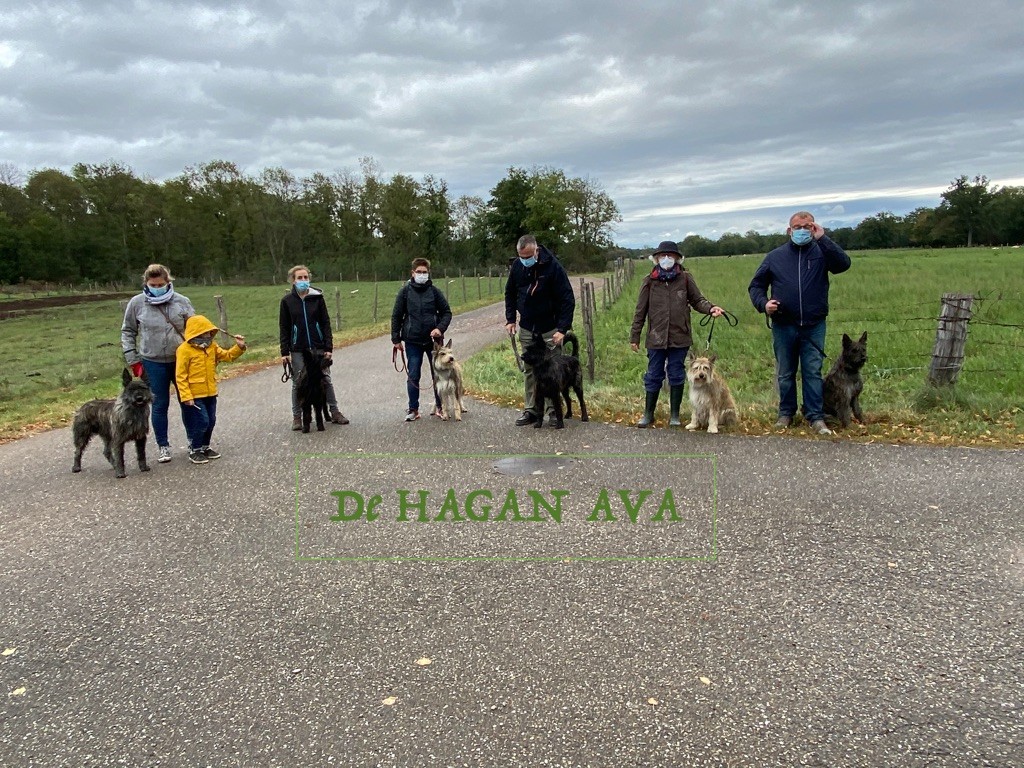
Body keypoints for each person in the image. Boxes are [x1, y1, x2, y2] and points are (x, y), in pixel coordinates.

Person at [748, 211, 851, 435]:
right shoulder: (775, 257)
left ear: (814, 228)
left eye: (807, 226)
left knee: (812, 371)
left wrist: (823, 239)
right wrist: (764, 304)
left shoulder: (822, 253)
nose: (802, 230)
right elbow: (755, 286)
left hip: (814, 324)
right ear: (789, 230)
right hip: (784, 324)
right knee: (785, 372)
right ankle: (786, 413)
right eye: (797, 227)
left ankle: (815, 416)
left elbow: (843, 264)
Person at [630, 241, 725, 428]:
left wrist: (711, 308)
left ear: (677, 258)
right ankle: (648, 414)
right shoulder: (649, 281)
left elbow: (697, 300)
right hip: (655, 337)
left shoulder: (685, 278)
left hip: (679, 337)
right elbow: (640, 310)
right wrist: (635, 336)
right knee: (653, 375)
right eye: (662, 256)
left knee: (676, 374)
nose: (666, 259)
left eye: (670, 256)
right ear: (656, 259)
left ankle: (674, 415)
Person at [121, 264, 195, 463]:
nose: (157, 287)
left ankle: (193, 442)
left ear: (168, 282)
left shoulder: (182, 302)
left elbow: (195, 330)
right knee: (159, 404)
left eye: (161, 284)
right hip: (152, 362)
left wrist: (199, 356)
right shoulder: (137, 303)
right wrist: (133, 359)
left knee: (187, 402)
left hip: (181, 360)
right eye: (153, 284)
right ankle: (163, 445)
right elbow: (128, 331)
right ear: (146, 283)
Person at [504, 234, 576, 426]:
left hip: (550, 327)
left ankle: (554, 412)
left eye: (528, 256)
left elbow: (567, 298)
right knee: (530, 370)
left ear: (536, 250)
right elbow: (510, 292)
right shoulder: (518, 267)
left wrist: (562, 328)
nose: (524, 260)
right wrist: (510, 319)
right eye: (521, 256)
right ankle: (532, 410)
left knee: (552, 371)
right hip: (528, 326)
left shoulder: (553, 267)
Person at [279, 265, 348, 430]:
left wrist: (328, 347)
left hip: (318, 346)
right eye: (299, 278)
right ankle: (297, 416)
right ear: (293, 281)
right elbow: (284, 327)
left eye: (305, 278)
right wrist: (284, 351)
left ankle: (334, 411)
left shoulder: (317, 298)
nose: (303, 281)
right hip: (298, 348)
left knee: (325, 379)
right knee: (298, 382)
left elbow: (325, 323)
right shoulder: (287, 301)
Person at [175, 315, 246, 464]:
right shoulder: (184, 350)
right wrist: (186, 396)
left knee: (211, 421)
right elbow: (180, 376)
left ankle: (205, 447)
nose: (209, 334)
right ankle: (195, 449)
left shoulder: (212, 346)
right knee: (202, 421)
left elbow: (227, 356)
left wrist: (239, 347)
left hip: (210, 391)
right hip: (194, 394)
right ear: (197, 332)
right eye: (206, 332)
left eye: (210, 332)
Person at [391, 258, 453, 421]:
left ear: (428, 273)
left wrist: (439, 328)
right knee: (413, 374)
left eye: (424, 272)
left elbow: (447, 312)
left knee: (438, 374)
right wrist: (395, 339)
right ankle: (413, 409)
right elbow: (396, 316)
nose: (422, 275)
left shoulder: (435, 292)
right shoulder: (404, 292)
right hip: (412, 340)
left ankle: (441, 406)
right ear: (412, 273)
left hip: (434, 343)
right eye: (419, 272)